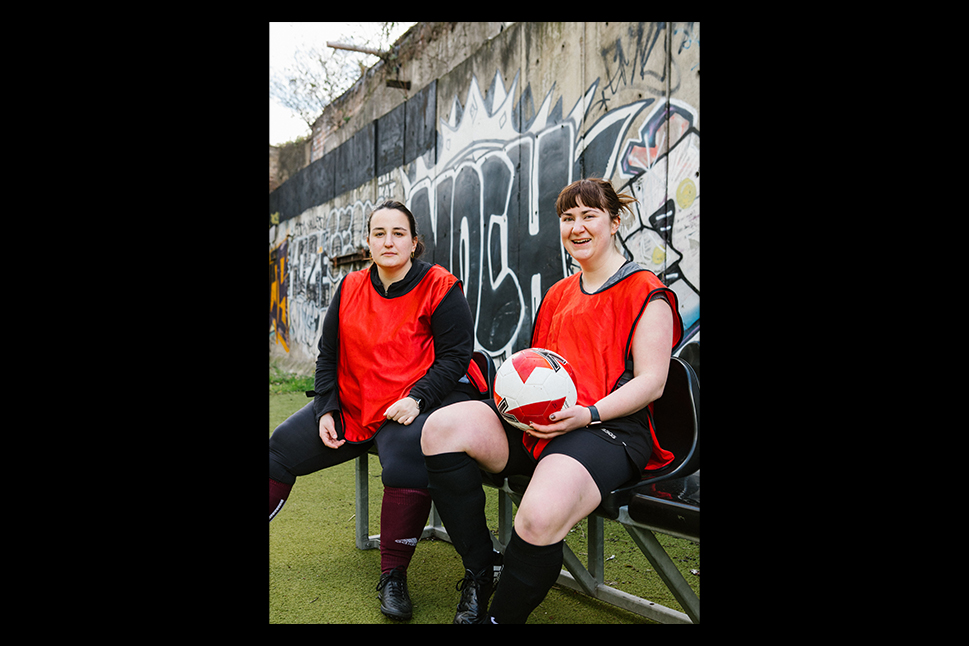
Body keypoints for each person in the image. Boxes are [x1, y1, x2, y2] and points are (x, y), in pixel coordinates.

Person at [420, 178, 684, 624]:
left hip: (607, 429)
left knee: (537, 516)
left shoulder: (646, 291)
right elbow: (537, 369)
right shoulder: (559, 294)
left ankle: (497, 618)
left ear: (615, 222)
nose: (576, 227)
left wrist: (588, 413)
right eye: (567, 218)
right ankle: (483, 568)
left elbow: (652, 383)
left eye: (589, 216)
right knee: (441, 428)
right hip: (541, 426)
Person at [269, 200, 487, 621]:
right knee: (278, 449)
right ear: (368, 242)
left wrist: (417, 398)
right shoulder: (350, 286)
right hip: (352, 402)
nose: (389, 241)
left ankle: (393, 576)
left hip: (406, 407)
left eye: (398, 233)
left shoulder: (440, 286)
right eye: (379, 233)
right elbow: (328, 354)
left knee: (406, 460)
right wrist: (326, 407)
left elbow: (456, 356)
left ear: (414, 241)